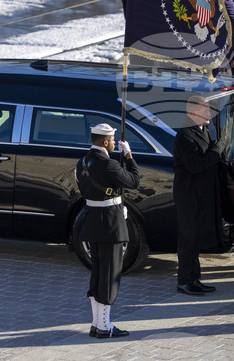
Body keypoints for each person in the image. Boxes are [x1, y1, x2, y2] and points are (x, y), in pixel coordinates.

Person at [77, 124, 141, 339]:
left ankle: (97, 323)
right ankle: (104, 326)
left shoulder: (82, 162)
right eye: (113, 140)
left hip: (92, 221)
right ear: (105, 142)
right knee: (110, 276)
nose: (115, 143)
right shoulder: (108, 164)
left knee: (97, 274)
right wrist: (129, 156)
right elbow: (134, 181)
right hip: (110, 225)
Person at [173, 96, 234, 296]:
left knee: (196, 239)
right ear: (193, 113)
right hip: (189, 195)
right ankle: (184, 281)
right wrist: (218, 147)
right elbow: (196, 165)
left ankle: (194, 277)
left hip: (202, 194)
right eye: (205, 110)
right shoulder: (185, 136)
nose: (209, 113)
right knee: (188, 239)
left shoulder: (203, 129)